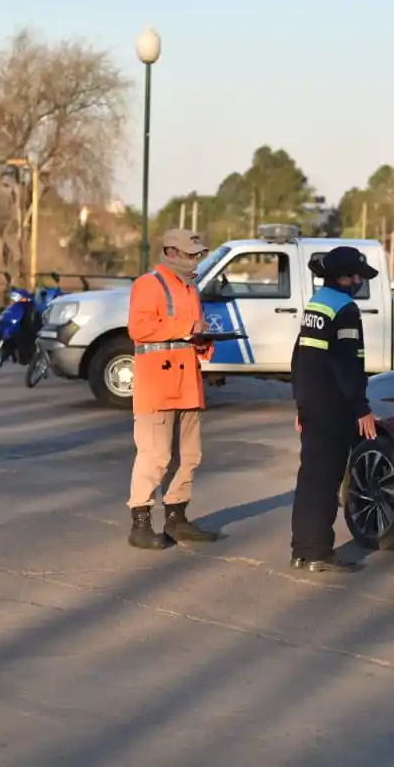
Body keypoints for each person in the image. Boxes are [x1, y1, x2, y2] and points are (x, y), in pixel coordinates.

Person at [125, 228, 220, 550]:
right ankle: (140, 523)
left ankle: (177, 518)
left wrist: (204, 343)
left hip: (188, 385)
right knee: (156, 455)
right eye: (192, 254)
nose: (197, 260)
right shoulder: (148, 284)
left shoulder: (190, 288)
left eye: (199, 254)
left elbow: (190, 335)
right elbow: (138, 328)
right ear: (171, 252)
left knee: (189, 456)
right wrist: (186, 328)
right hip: (157, 385)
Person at [289, 246, 379, 573]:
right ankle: (318, 553)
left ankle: (302, 550)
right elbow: (347, 366)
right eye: (356, 275)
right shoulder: (345, 310)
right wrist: (362, 409)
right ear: (343, 277)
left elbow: (300, 360)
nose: (358, 281)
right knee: (326, 481)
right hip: (333, 408)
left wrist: (301, 404)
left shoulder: (316, 305)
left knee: (310, 478)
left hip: (312, 404)